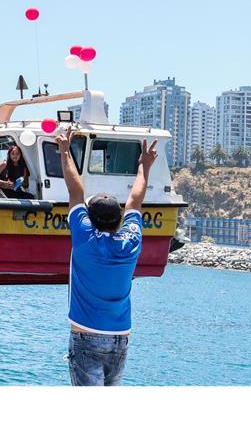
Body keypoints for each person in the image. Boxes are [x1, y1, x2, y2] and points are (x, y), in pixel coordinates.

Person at [59, 129, 158, 387]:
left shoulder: (85, 239)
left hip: (87, 336)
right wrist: (144, 167)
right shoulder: (130, 242)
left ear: (89, 219)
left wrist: (64, 150)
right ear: (119, 220)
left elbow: (74, 192)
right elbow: (135, 201)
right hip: (120, 337)